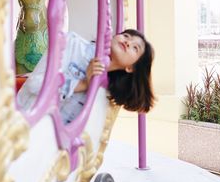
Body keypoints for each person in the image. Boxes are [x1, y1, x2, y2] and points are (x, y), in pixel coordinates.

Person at [17, 29, 154, 124]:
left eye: (135, 48)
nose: (128, 42)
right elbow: (34, 85)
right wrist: (82, 84)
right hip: (25, 123)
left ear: (130, 68)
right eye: (126, 35)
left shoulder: (106, 92)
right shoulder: (70, 43)